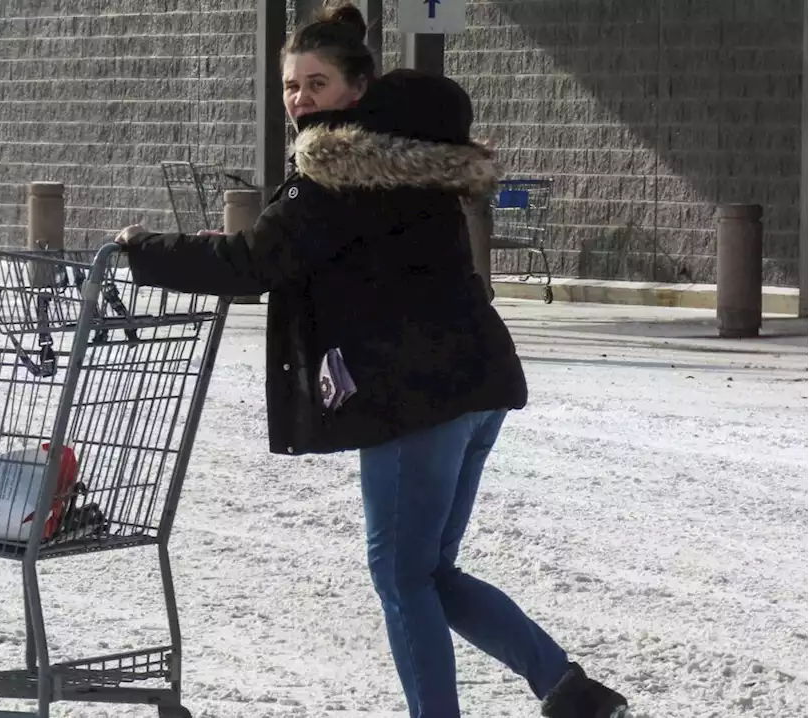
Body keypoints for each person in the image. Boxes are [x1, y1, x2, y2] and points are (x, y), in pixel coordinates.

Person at [113, 3, 630, 718]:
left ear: (357, 89)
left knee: (399, 574)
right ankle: (571, 693)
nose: (300, 100)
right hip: (474, 384)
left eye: (316, 84)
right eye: (292, 87)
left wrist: (143, 253)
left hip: (410, 394)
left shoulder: (334, 169)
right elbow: (310, 248)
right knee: (428, 571)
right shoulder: (411, 159)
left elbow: (252, 262)